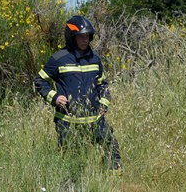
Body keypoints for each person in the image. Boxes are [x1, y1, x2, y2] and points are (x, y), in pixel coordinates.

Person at [34, 15, 122, 171]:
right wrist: (55, 98)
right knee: (72, 162)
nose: (85, 40)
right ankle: (73, 185)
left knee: (111, 147)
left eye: (87, 36)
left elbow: (103, 84)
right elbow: (40, 81)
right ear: (72, 37)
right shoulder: (58, 58)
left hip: (95, 120)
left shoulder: (95, 58)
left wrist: (104, 103)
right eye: (81, 36)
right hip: (68, 122)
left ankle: (114, 178)